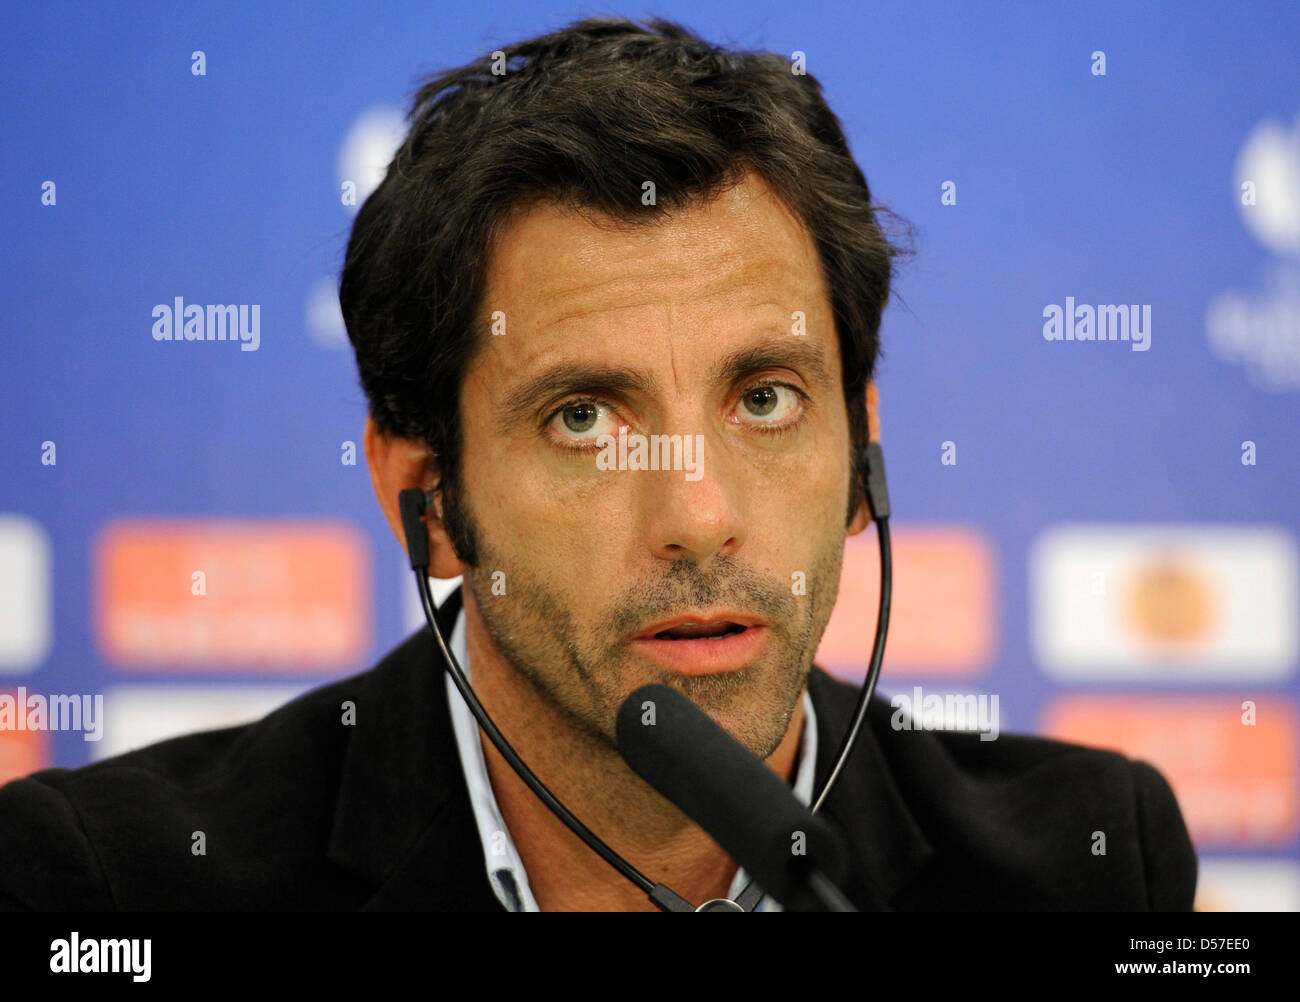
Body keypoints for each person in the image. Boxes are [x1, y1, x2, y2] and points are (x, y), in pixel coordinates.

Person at [0, 16, 1195, 912]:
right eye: (584, 419)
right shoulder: (112, 890)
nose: (698, 514)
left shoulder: (1087, 868)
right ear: (427, 500)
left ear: (861, 461)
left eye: (766, 398)